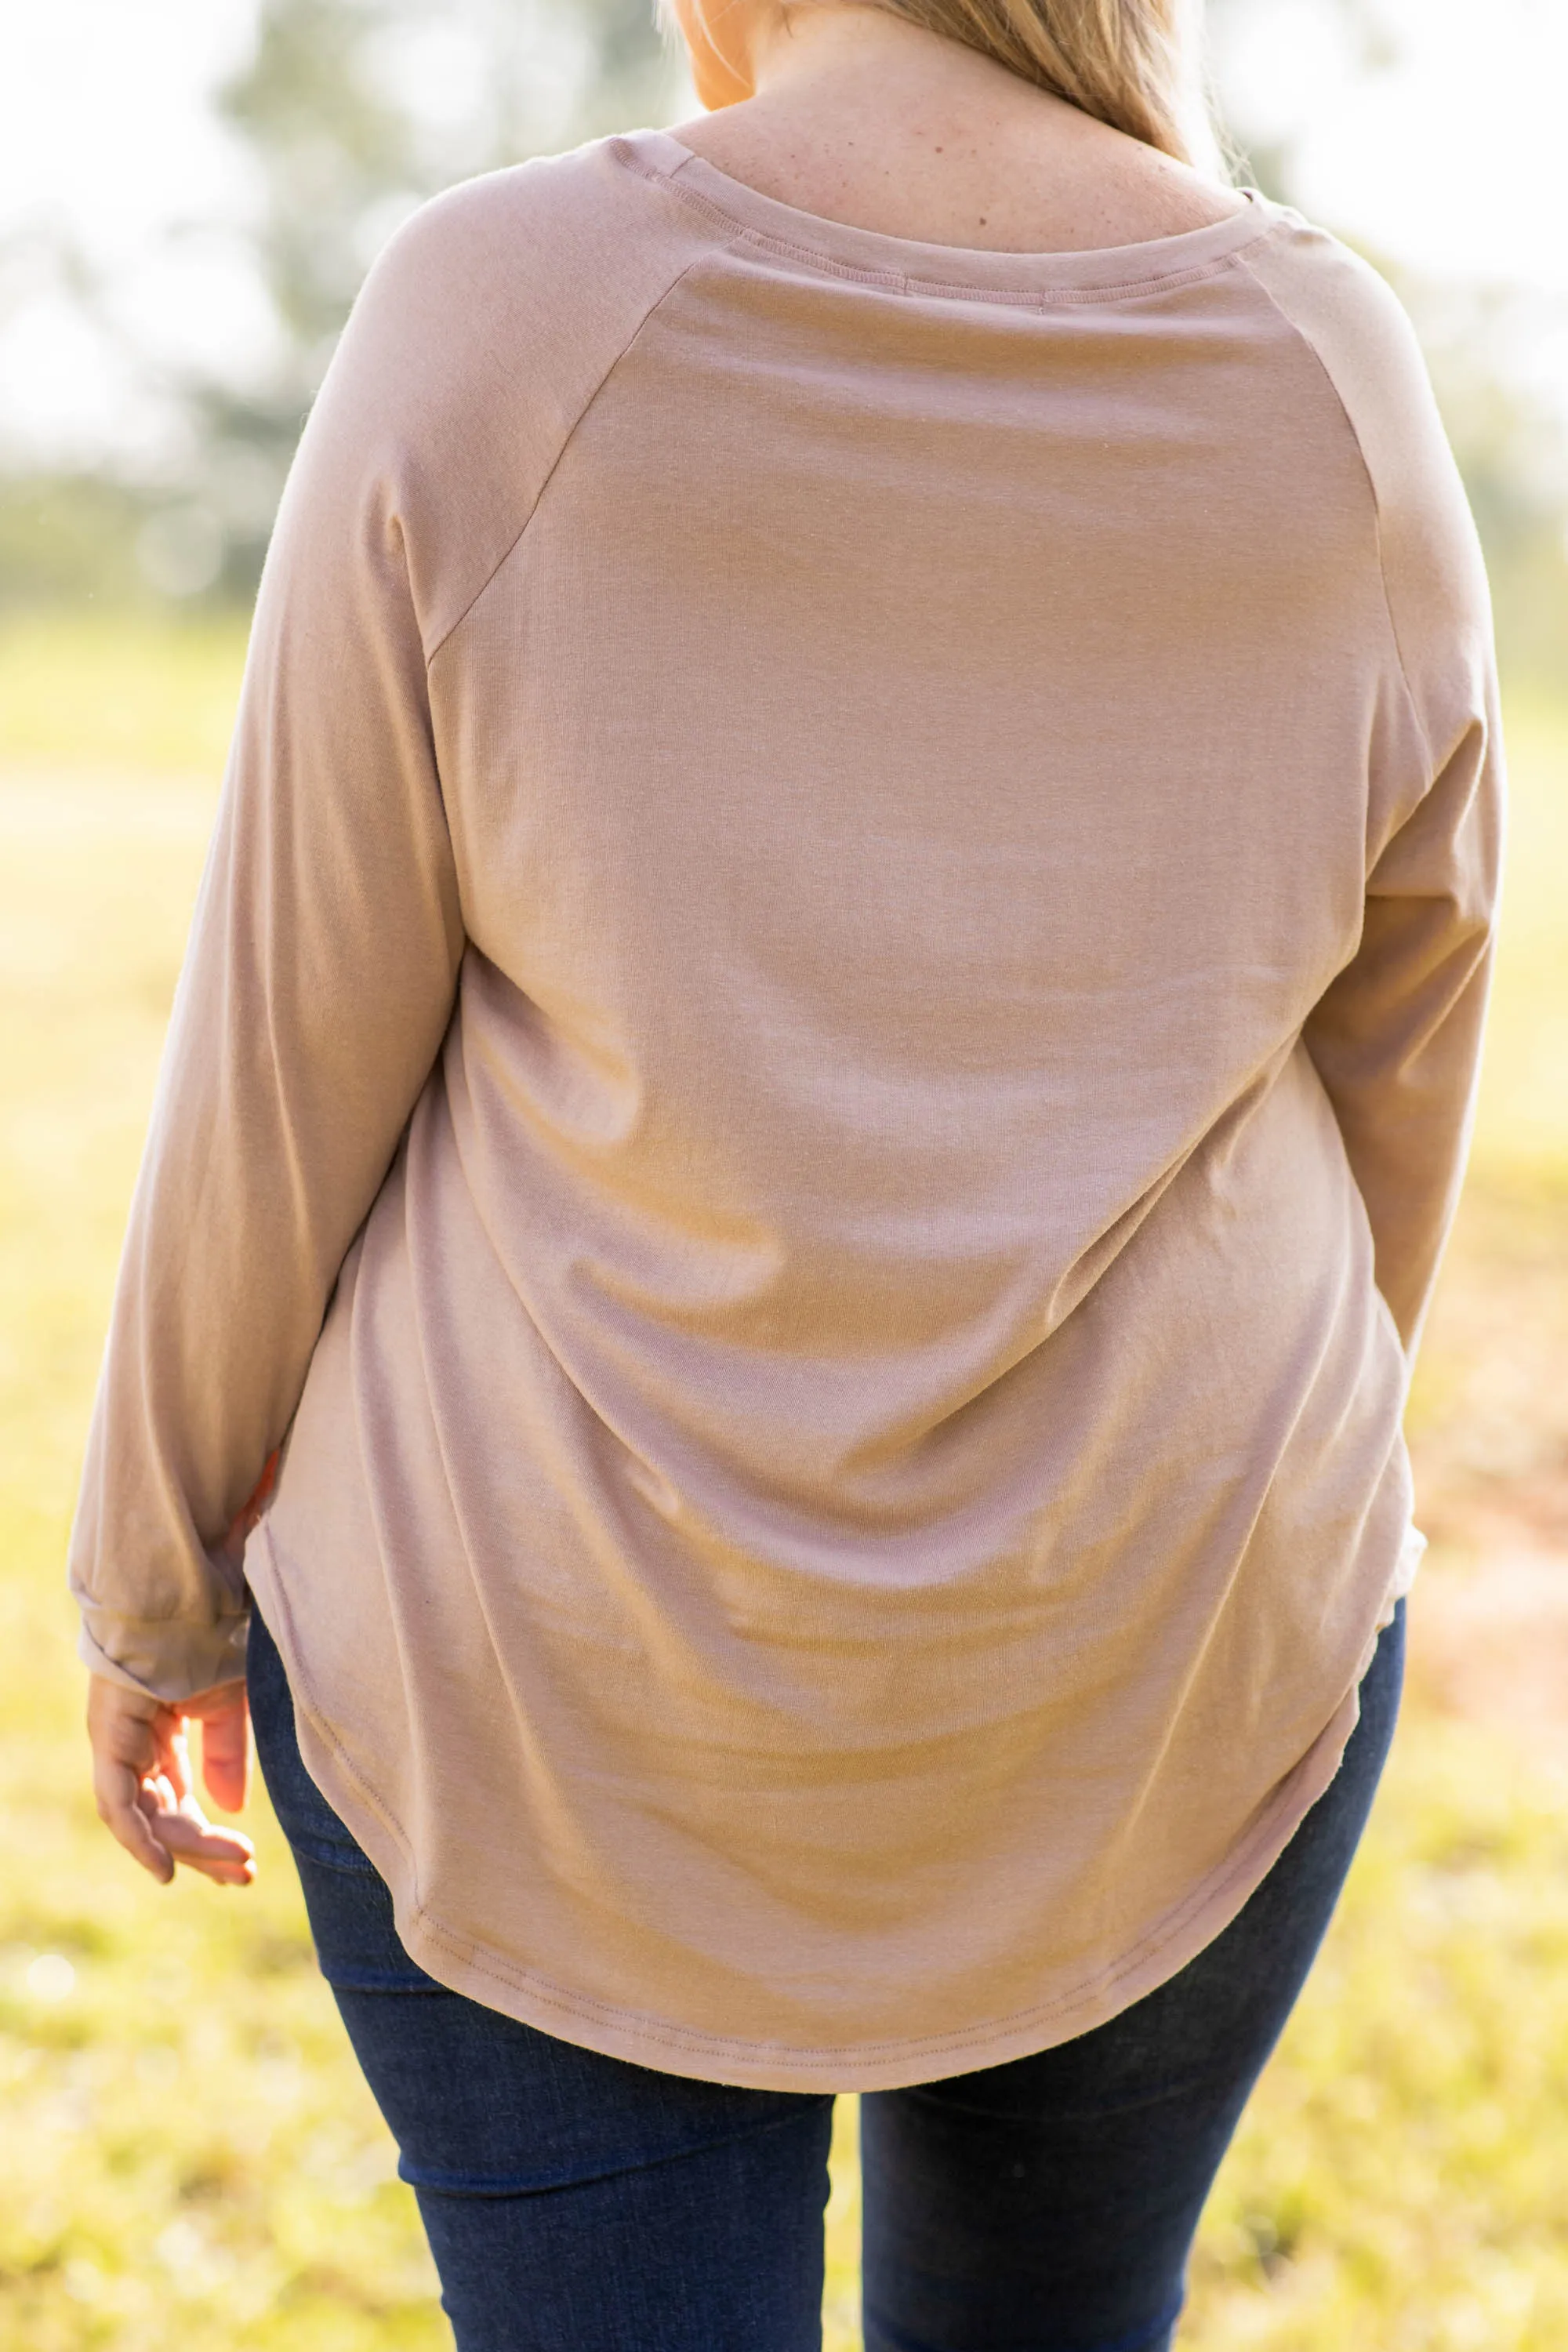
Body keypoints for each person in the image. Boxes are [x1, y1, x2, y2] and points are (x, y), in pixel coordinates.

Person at [72, 0, 1503, 2339]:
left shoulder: (499, 309)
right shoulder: (1326, 363)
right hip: (1159, 1646)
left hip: (542, 1659)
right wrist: (1246, 1497)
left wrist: (155, 1582)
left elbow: (282, 1033)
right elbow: (1407, 1037)